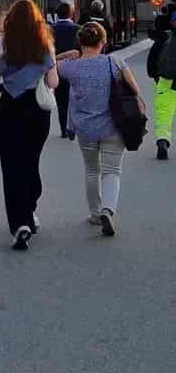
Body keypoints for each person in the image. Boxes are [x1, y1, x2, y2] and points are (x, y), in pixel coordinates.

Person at [57, 21, 142, 235]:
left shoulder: (70, 66)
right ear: (103, 42)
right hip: (113, 126)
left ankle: (94, 213)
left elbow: (48, 63)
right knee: (112, 171)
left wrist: (66, 53)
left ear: (80, 42)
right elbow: (135, 90)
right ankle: (108, 210)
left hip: (85, 128)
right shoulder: (114, 62)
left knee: (91, 170)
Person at [0, 0, 58, 252]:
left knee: (11, 165)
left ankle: (19, 224)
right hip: (37, 110)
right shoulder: (45, 45)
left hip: (10, 107)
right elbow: (53, 83)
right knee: (31, 161)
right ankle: (30, 208)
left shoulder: (0, 45)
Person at [146, 4, 176, 159]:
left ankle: (162, 141)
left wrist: (156, 78)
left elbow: (151, 62)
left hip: (166, 81)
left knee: (164, 114)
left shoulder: (164, 39)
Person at [52, 1, 79, 139]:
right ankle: (72, 128)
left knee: (61, 101)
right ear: (70, 13)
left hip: (57, 69)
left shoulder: (51, 30)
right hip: (75, 69)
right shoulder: (77, 29)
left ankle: (63, 128)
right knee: (74, 99)